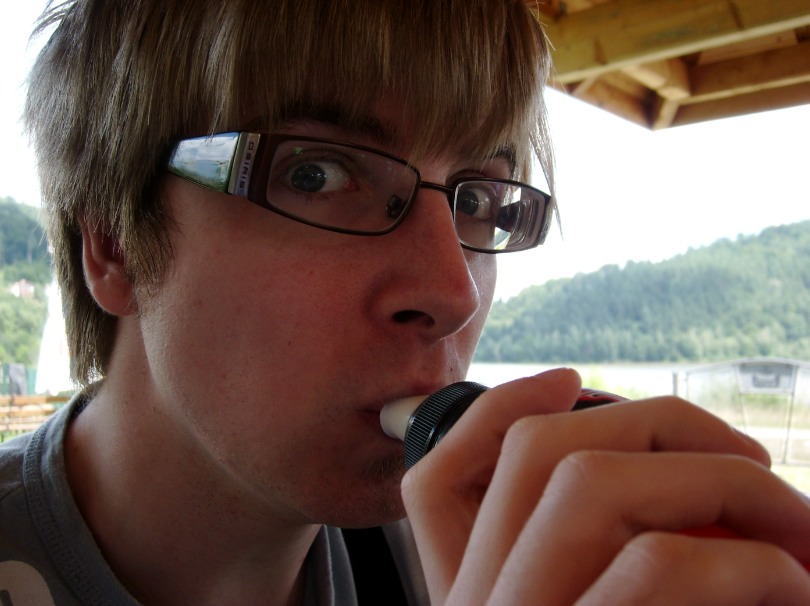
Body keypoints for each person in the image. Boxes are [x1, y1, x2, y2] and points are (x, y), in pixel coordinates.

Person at [2, 0, 809, 604]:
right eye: (316, 174)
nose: (452, 293)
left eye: (478, 201)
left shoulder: (480, 551)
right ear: (114, 244)